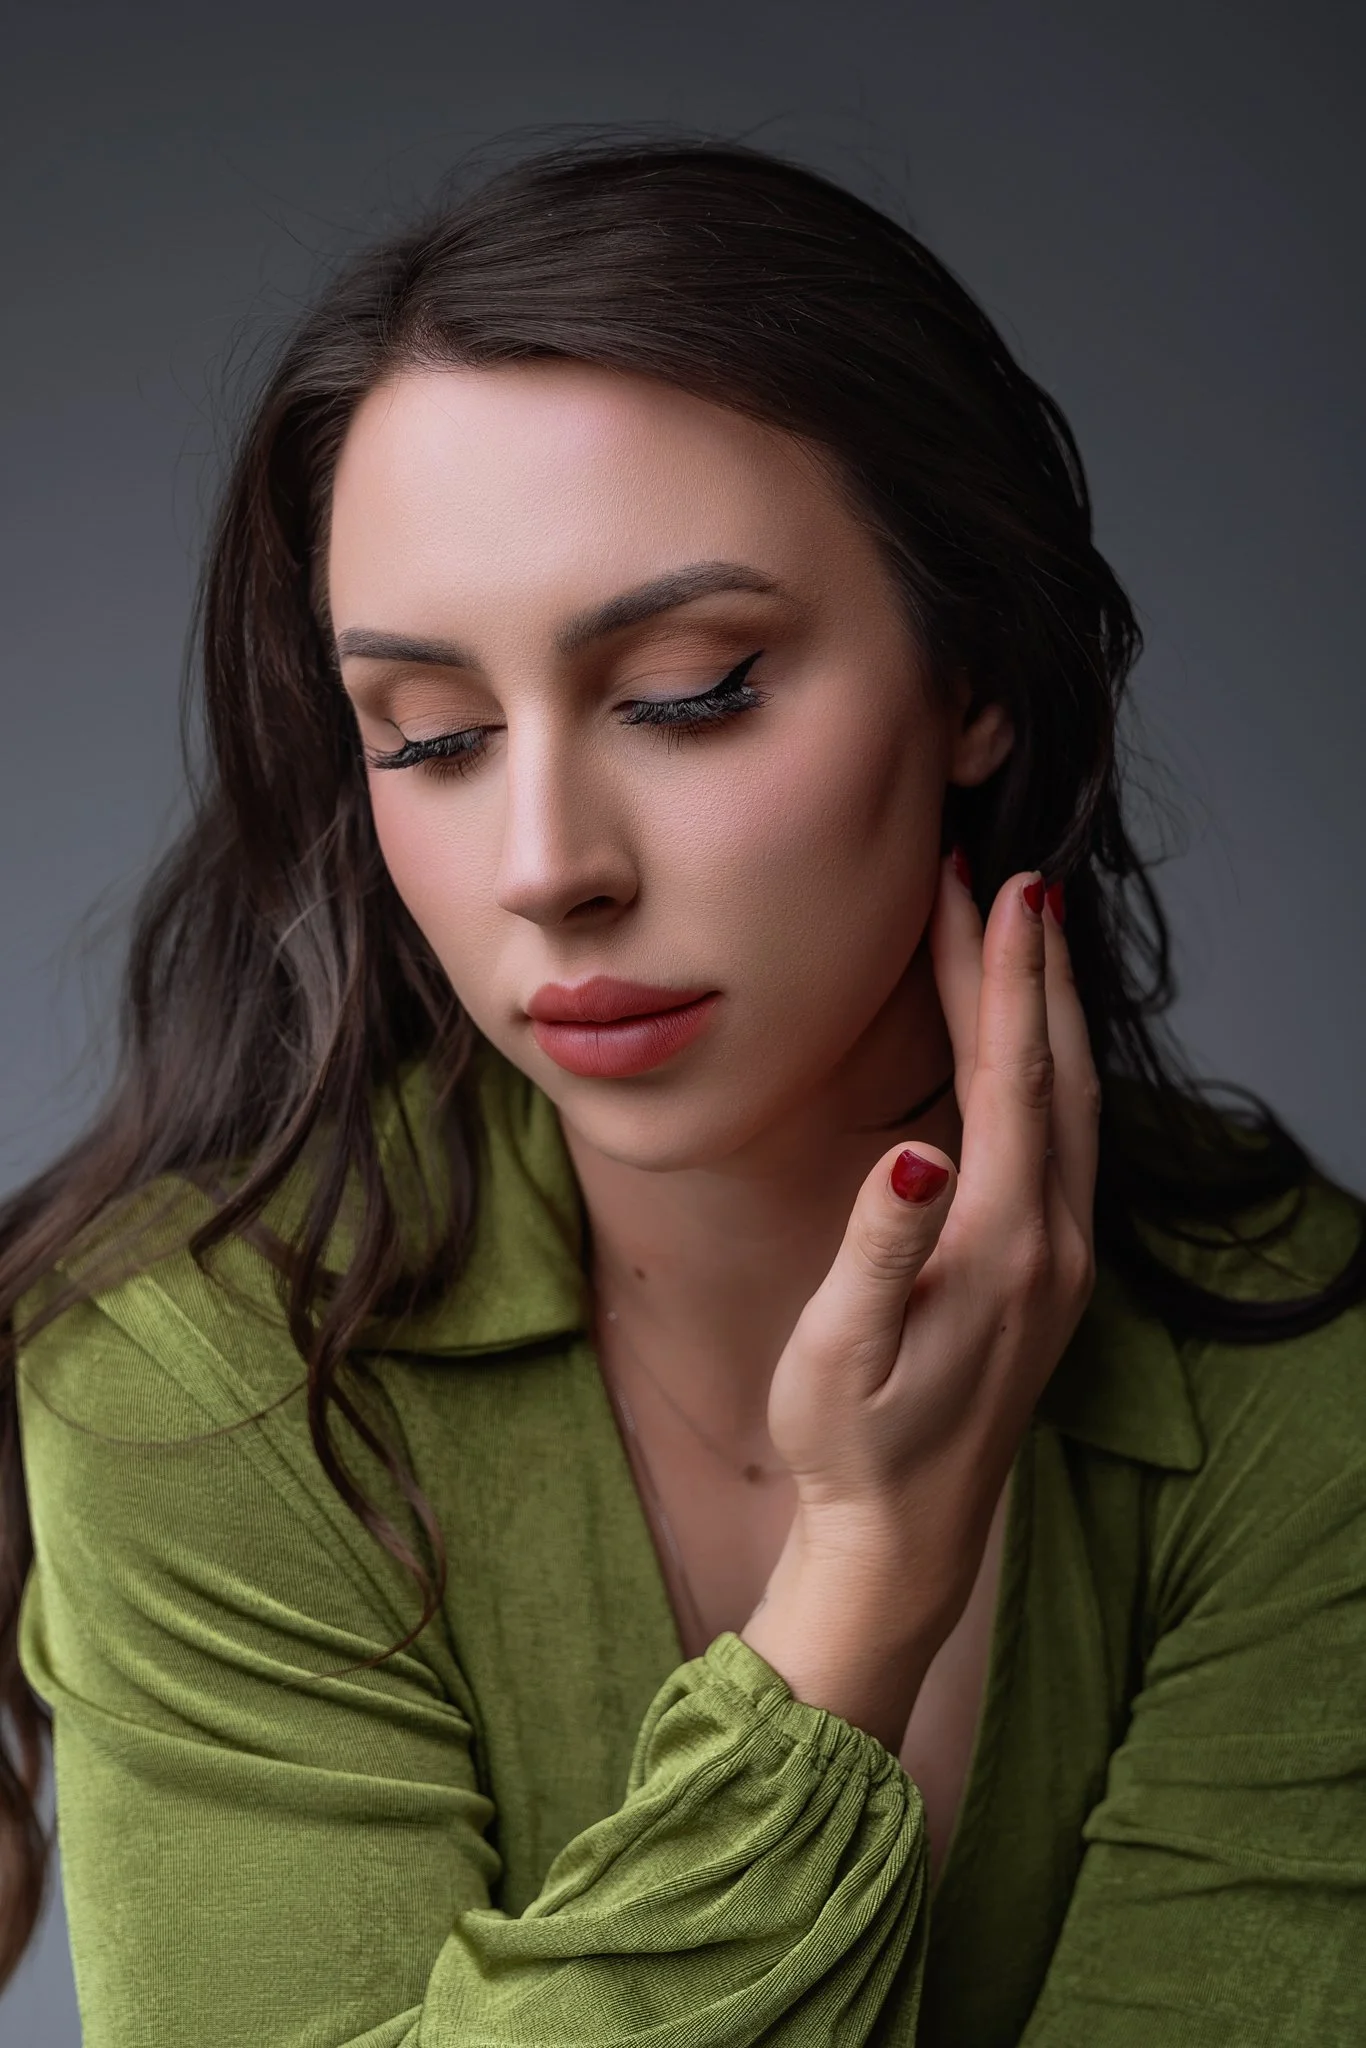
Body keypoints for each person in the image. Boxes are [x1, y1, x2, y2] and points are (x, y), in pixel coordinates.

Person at [2, 130, 1364, 2047]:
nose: (548, 861)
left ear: (972, 669)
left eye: (692, 690)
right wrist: (859, 1599)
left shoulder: (1309, 1389)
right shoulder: (200, 1383)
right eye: (435, 735)